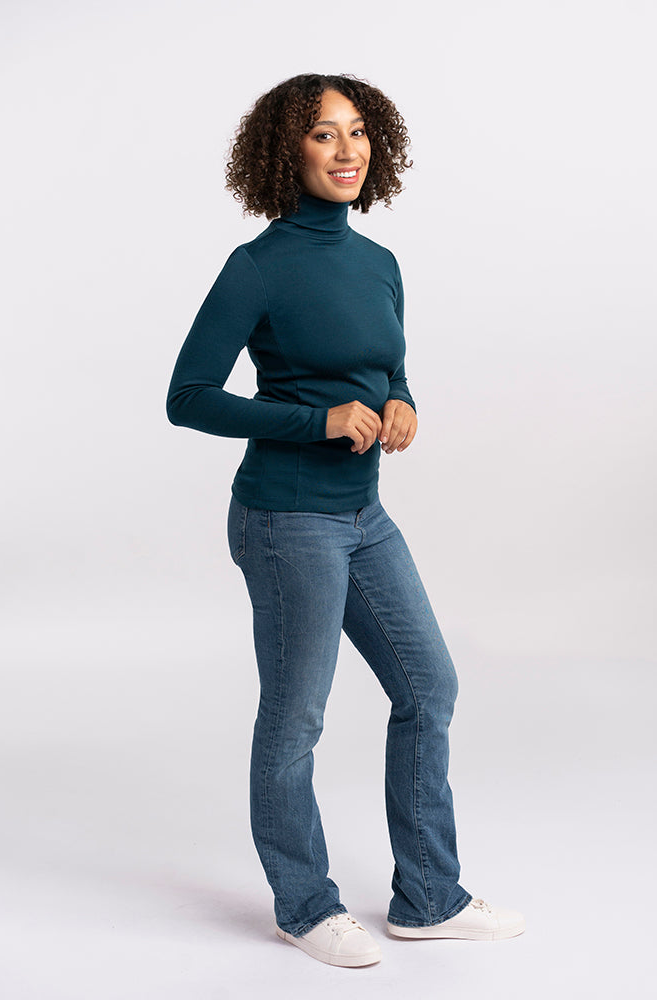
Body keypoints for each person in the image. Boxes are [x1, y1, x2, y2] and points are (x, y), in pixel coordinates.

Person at [166, 73, 524, 968]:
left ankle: (428, 895)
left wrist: (402, 401)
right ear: (285, 152)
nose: (347, 150)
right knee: (297, 719)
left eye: (358, 132)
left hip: (364, 515)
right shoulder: (259, 266)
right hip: (287, 521)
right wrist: (314, 422)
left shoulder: (378, 263)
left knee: (427, 685)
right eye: (324, 135)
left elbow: (383, 367)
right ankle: (304, 905)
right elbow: (188, 397)